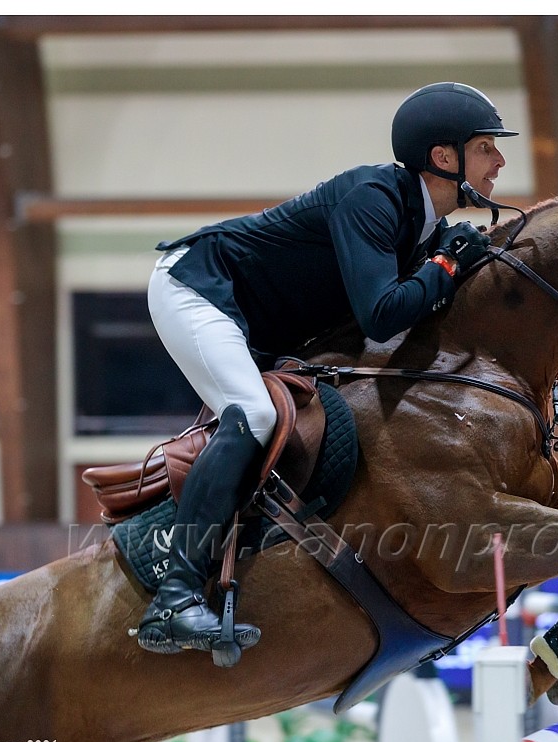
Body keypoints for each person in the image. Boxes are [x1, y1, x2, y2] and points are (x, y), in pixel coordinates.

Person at [137, 82, 517, 659]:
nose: (500, 160)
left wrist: (446, 260)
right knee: (256, 414)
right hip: (199, 286)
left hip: (255, 322)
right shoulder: (374, 198)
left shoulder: (423, 225)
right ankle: (174, 596)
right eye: (487, 146)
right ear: (444, 158)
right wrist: (444, 264)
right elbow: (382, 317)